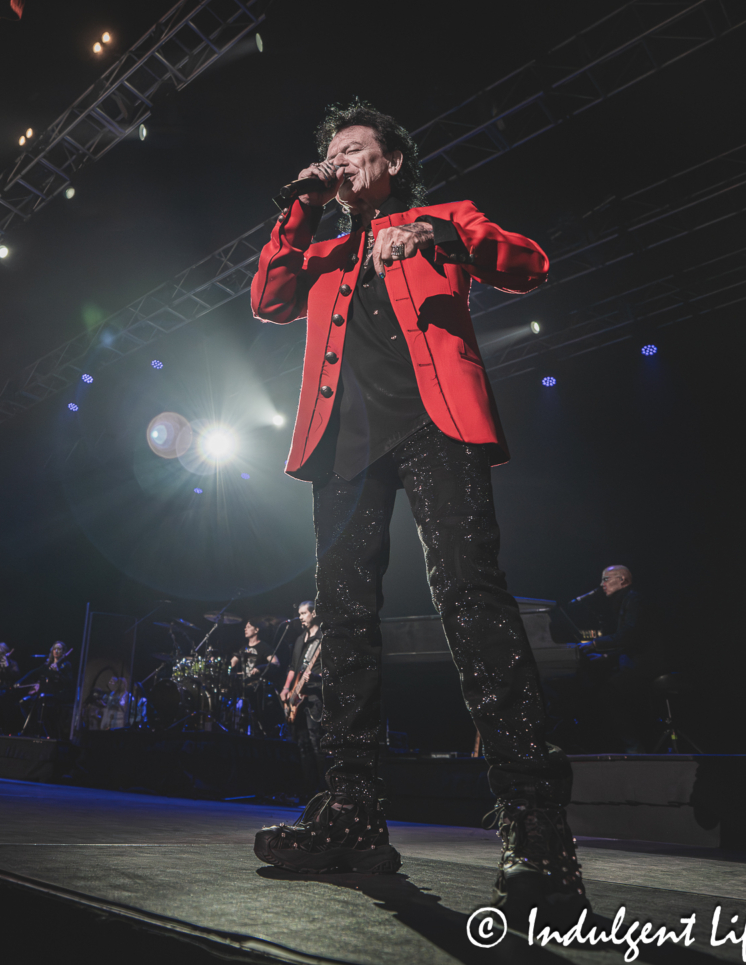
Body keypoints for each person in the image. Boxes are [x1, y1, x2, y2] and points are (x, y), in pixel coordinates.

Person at [248, 100, 587, 915]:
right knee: (343, 618)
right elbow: (268, 296)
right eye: (331, 153)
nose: (340, 160)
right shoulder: (324, 247)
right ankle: (354, 812)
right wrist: (301, 206)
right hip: (343, 445)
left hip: (438, 427)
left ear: (393, 160)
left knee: (471, 597)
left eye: (354, 148)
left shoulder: (445, 217)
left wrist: (438, 235)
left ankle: (535, 825)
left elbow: (531, 263)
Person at [567, 566, 666, 752]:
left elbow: (629, 635)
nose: (601, 584)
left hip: (646, 664)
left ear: (623, 581)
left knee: (608, 693)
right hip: (636, 662)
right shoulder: (626, 600)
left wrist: (594, 644)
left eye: (606, 579)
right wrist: (605, 656)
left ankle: (634, 746)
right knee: (606, 688)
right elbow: (629, 642)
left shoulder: (634, 599)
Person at [280, 600, 326, 801]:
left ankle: (323, 790)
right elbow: (293, 667)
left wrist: (316, 677)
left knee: (316, 744)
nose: (300, 617)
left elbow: (332, 669)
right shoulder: (300, 639)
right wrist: (286, 688)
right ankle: (308, 790)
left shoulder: (323, 638)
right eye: (299, 614)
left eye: (303, 613)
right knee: (303, 745)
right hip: (297, 698)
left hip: (315, 696)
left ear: (314, 613)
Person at [20, 641, 75, 739]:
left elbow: (68, 682)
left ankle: (44, 733)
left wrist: (58, 672)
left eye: (59, 649)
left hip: (56, 694)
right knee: (23, 702)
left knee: (42, 699)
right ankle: (33, 729)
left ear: (63, 652)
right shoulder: (47, 664)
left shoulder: (66, 664)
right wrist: (21, 682)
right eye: (55, 648)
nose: (56, 651)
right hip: (43, 692)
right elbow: (35, 672)